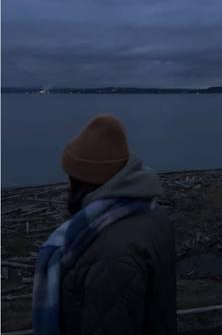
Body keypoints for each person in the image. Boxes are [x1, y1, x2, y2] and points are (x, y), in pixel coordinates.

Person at [32, 114, 177, 335]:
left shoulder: (110, 254)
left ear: (84, 182)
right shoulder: (152, 213)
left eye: (71, 178)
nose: (66, 187)